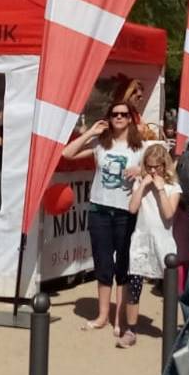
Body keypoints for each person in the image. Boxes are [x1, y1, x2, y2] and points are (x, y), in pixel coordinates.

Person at [62, 100, 155, 335]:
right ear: (109, 117)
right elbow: (67, 153)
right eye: (115, 114)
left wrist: (140, 171)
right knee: (103, 263)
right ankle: (103, 315)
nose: (119, 118)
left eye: (124, 114)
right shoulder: (100, 144)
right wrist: (91, 131)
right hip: (99, 210)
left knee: (123, 264)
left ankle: (119, 318)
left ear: (131, 118)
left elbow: (162, 169)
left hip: (126, 212)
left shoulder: (141, 147)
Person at [125, 144, 181, 350]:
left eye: (156, 167)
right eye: (149, 167)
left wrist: (160, 189)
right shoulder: (141, 181)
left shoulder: (173, 188)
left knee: (169, 287)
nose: (152, 171)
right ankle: (131, 329)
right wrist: (142, 185)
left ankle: (171, 329)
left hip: (163, 242)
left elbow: (168, 214)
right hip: (141, 239)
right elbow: (132, 209)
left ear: (164, 166)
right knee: (134, 284)